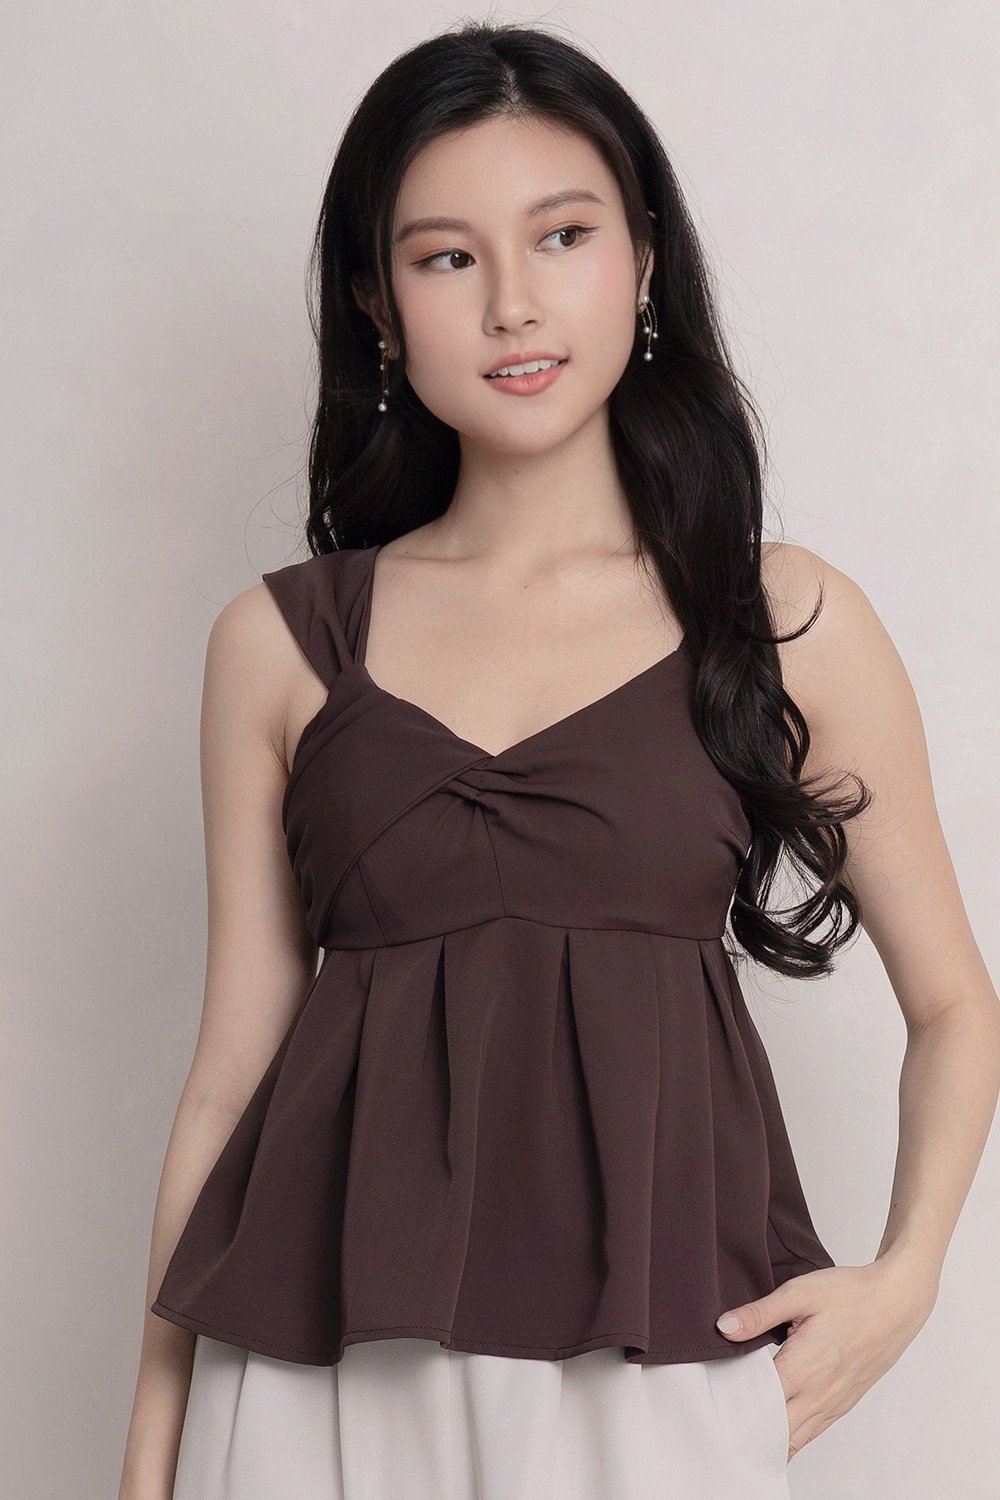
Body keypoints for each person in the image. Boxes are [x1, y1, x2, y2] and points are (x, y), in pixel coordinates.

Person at [119, 19, 1000, 1500]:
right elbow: (229, 1077)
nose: (513, 303)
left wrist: (903, 1284)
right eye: (446, 257)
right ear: (378, 306)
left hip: (657, 1366)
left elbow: (958, 1007)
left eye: (564, 235)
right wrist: (149, 1457)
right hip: (314, 1387)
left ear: (645, 261)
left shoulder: (782, 619)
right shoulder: (277, 644)